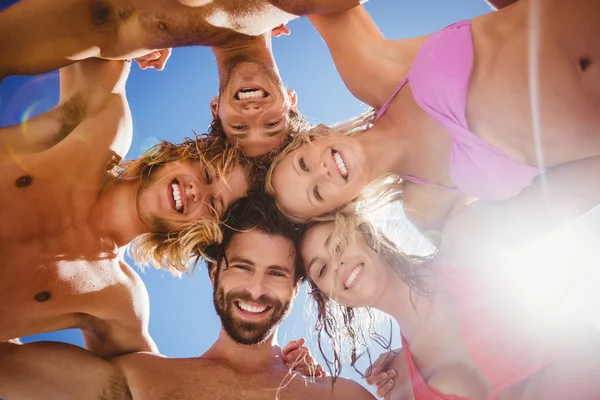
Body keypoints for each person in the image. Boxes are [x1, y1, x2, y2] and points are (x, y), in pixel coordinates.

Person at [266, 0, 600, 242]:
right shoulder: (426, 208)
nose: (322, 173)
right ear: (339, 210)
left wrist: (256, 25)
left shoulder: (370, 75)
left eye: (303, 165)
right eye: (317, 193)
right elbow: (477, 269)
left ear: (315, 136)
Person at [0, 195, 391, 400]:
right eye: (242, 267)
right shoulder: (142, 379)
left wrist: (408, 374)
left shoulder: (340, 395)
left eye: (276, 273)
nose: (256, 290)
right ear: (214, 272)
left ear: (295, 287)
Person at [0, 57, 251, 357]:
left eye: (213, 205)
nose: (197, 191)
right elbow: (106, 24)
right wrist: (148, 32)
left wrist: (272, 368)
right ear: (181, 154)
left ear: (200, 236)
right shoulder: (100, 131)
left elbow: (148, 387)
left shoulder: (114, 299)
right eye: (208, 174)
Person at [298, 155, 600, 399]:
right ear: (328, 295)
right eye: (321, 269)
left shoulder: (469, 241)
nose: (336, 265)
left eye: (337, 244)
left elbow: (586, 178)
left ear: (364, 232)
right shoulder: (399, 386)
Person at [0, 0, 366, 157]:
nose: (254, 114)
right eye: (272, 124)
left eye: (239, 128)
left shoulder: (127, 38)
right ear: (291, 99)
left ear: (216, 108)